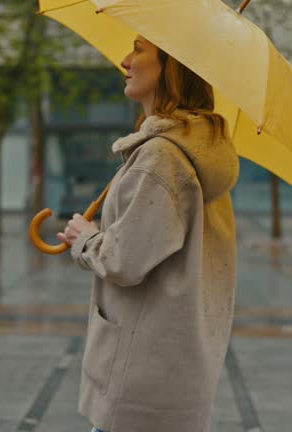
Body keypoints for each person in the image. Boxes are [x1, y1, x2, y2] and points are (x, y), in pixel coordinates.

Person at [57, 35, 239, 432]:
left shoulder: (162, 158)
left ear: (170, 67)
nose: (125, 59)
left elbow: (125, 261)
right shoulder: (198, 150)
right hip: (174, 372)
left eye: (139, 50)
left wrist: (87, 237)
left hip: (138, 380)